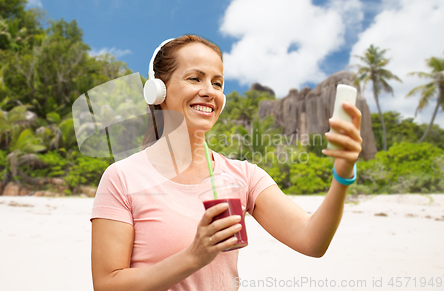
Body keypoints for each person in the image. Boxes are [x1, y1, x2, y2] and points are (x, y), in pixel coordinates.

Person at [90, 35, 363, 291]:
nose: (209, 92)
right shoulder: (122, 178)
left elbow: (312, 241)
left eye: (217, 83)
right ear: (158, 91)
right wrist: (193, 257)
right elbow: (107, 284)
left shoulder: (243, 176)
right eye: (195, 78)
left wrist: (342, 175)